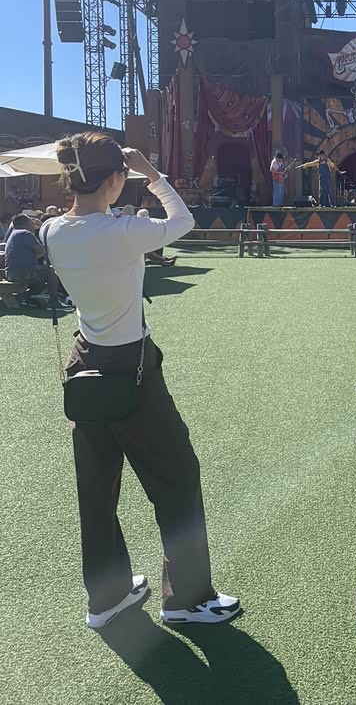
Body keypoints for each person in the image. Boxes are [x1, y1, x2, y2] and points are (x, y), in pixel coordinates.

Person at [41, 133, 239, 630]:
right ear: (115, 180)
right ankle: (186, 599)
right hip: (131, 368)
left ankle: (106, 598)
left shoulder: (50, 230)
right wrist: (152, 175)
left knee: (96, 487)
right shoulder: (124, 231)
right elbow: (183, 221)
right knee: (177, 477)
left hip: (84, 364)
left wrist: (126, 175)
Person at [4, 214, 53, 304]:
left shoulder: (14, 233)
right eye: (31, 223)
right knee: (52, 273)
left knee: (41, 272)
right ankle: (54, 301)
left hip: (11, 273)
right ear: (26, 223)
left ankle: (28, 297)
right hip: (23, 273)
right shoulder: (25, 233)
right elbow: (41, 250)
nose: (33, 225)